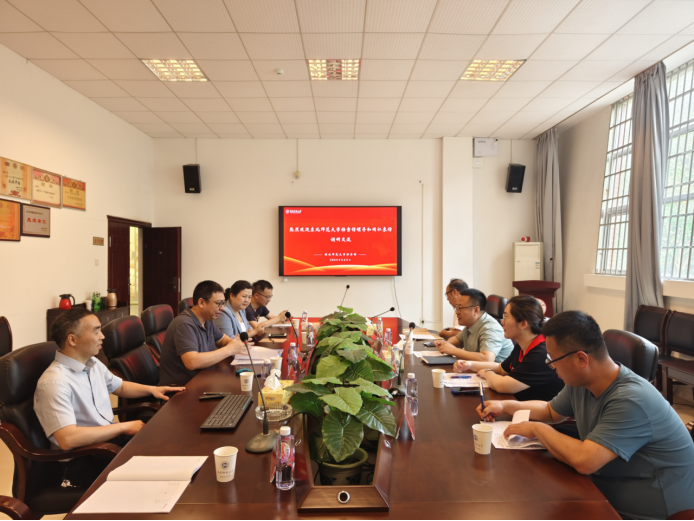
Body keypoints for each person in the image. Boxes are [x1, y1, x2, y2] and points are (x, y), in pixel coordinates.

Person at [477, 311, 694, 520]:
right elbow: (550, 411)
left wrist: (537, 428)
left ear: (581, 359)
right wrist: (506, 405)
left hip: (648, 512)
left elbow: (585, 461)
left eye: (553, 360)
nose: (551, 367)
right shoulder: (583, 381)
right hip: (604, 489)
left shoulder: (631, 399)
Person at [34, 307, 184, 487]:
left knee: (170, 446)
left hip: (106, 444)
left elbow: (120, 386)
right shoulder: (54, 382)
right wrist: (123, 427)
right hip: (82, 458)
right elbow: (68, 439)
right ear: (72, 340)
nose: (102, 336)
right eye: (96, 331)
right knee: (156, 472)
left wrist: (153, 390)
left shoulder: (92, 363)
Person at [453, 295, 564, 401]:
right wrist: (469, 364)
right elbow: (501, 368)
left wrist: (486, 372)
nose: (502, 322)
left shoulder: (540, 354)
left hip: (538, 412)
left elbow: (502, 385)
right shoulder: (523, 344)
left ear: (523, 324)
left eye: (506, 316)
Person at [158, 280, 246, 387]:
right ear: (201, 303)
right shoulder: (183, 324)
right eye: (219, 303)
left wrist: (235, 344)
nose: (222, 308)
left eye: (223, 303)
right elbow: (192, 362)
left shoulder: (207, 320)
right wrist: (229, 350)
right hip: (182, 388)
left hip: (203, 379)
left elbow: (221, 339)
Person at [433, 289, 513, 363]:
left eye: (460, 308)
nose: (457, 312)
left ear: (476, 310)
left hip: (498, 373)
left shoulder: (490, 328)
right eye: (456, 308)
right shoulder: (471, 323)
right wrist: (445, 344)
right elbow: (458, 339)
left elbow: (487, 359)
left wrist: (453, 350)